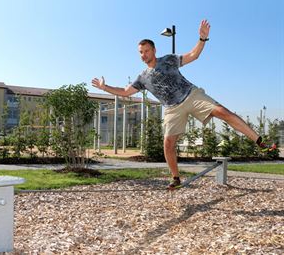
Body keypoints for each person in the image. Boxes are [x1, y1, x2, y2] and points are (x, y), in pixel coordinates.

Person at [92, 19, 276, 188]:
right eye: (141, 52)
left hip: (191, 95)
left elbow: (193, 55)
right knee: (168, 143)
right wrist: (104, 87)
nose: (144, 55)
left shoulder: (169, 60)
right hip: (172, 108)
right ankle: (176, 178)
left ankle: (260, 142)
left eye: (146, 51)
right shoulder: (143, 77)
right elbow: (125, 92)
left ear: (154, 50)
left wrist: (202, 39)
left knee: (223, 112)